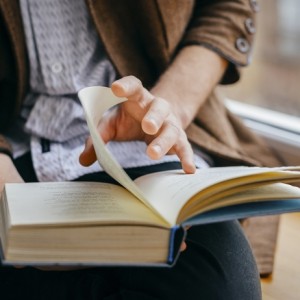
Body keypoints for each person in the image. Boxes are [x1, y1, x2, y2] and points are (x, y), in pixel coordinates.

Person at [0, 0, 280, 299]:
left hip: (140, 137)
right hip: (12, 146)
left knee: (218, 289)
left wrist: (166, 108)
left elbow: (227, 7)